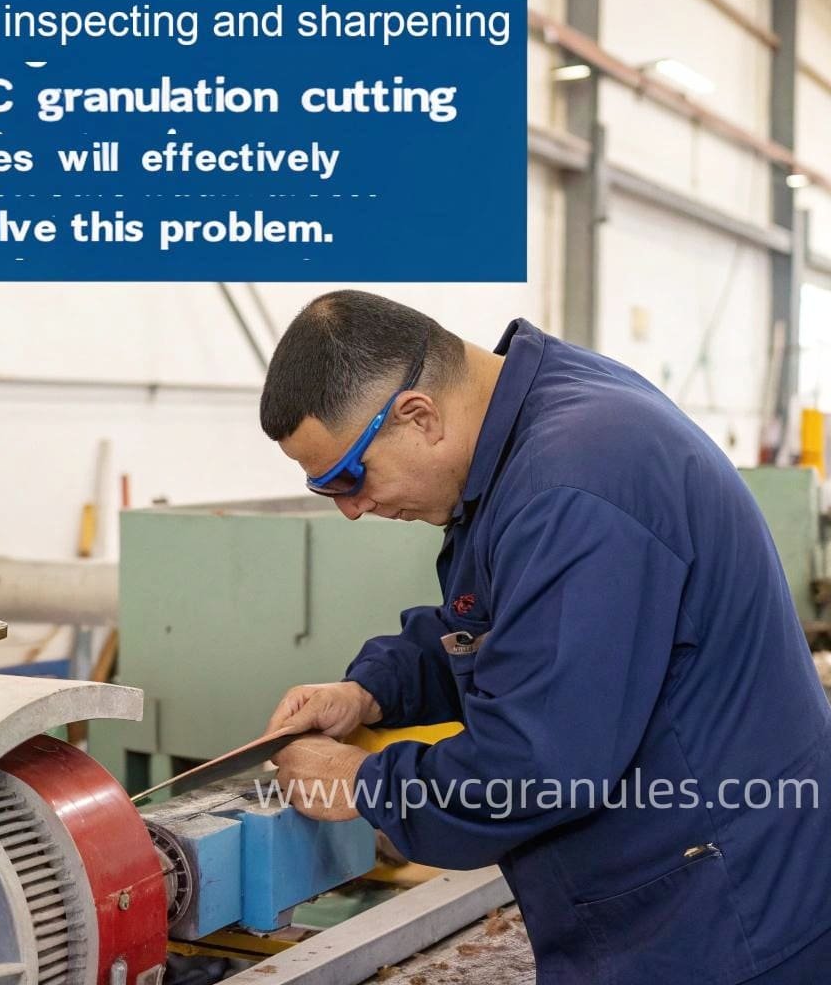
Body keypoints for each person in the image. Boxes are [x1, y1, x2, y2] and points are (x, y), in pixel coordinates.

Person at [259, 290, 831, 984]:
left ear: (418, 415)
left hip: (726, 922)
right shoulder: (538, 420)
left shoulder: (573, 482)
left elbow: (538, 766)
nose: (352, 509)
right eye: (326, 490)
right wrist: (371, 690)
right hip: (690, 884)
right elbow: (505, 630)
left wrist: (365, 782)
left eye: (349, 477)